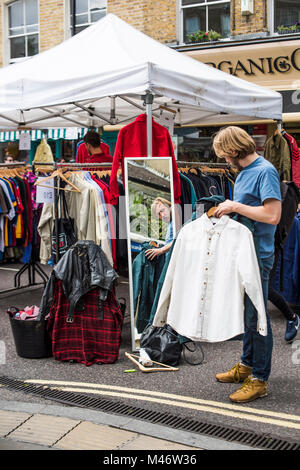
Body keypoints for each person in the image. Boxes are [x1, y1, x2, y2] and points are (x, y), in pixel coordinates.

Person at [212, 126, 282, 404]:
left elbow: (272, 215)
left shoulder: (265, 171)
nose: (223, 161)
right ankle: (247, 366)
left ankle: (260, 380)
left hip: (258, 256)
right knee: (249, 317)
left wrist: (234, 207)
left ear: (232, 151)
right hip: (244, 253)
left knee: (259, 319)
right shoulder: (245, 173)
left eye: (223, 155)